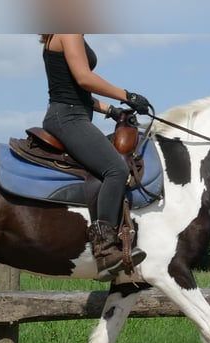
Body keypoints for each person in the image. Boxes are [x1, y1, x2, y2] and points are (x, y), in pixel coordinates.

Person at [40, 33, 152, 281]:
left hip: (72, 113)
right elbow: (84, 78)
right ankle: (105, 251)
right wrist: (127, 95)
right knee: (116, 170)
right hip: (68, 118)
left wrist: (110, 109)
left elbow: (73, 89)